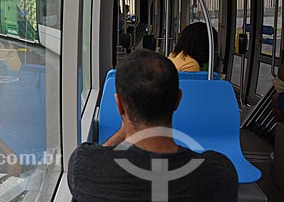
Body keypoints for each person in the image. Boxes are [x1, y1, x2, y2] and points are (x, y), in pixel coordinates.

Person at [68, 50, 237, 202]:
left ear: (119, 105)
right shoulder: (218, 174)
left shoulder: (83, 167)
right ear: (178, 99)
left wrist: (124, 128)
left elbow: (100, 154)